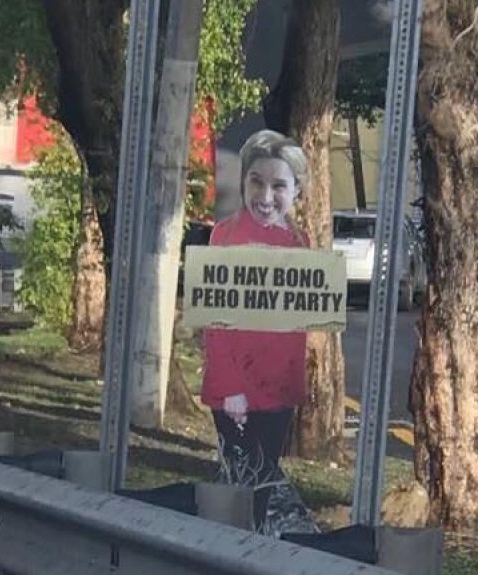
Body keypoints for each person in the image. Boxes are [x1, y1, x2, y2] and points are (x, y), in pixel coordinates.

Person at [201, 129, 310, 533]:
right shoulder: (224, 236)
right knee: (242, 478)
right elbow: (217, 322)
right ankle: (230, 550)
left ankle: (252, 547)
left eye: (278, 185)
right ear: (245, 182)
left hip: (278, 390)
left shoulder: (301, 242)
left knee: (262, 481)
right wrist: (232, 389)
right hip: (235, 390)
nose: (266, 196)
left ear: (296, 189)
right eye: (257, 182)